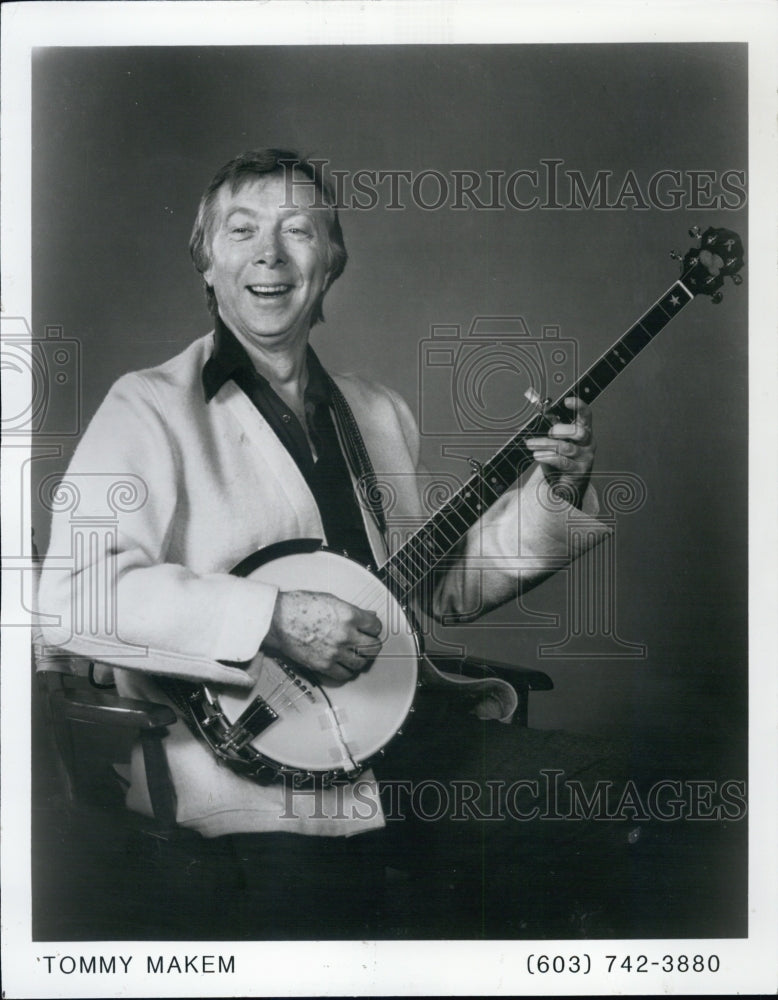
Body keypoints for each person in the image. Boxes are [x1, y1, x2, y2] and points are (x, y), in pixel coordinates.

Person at [37, 149, 618, 939]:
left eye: (298, 231)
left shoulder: (377, 413)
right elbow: (76, 597)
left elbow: (431, 591)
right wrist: (269, 618)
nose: (269, 254)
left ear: (331, 264)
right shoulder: (145, 408)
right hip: (238, 767)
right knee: (332, 931)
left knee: (605, 797)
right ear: (208, 265)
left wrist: (554, 492)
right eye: (241, 231)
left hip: (407, 742)